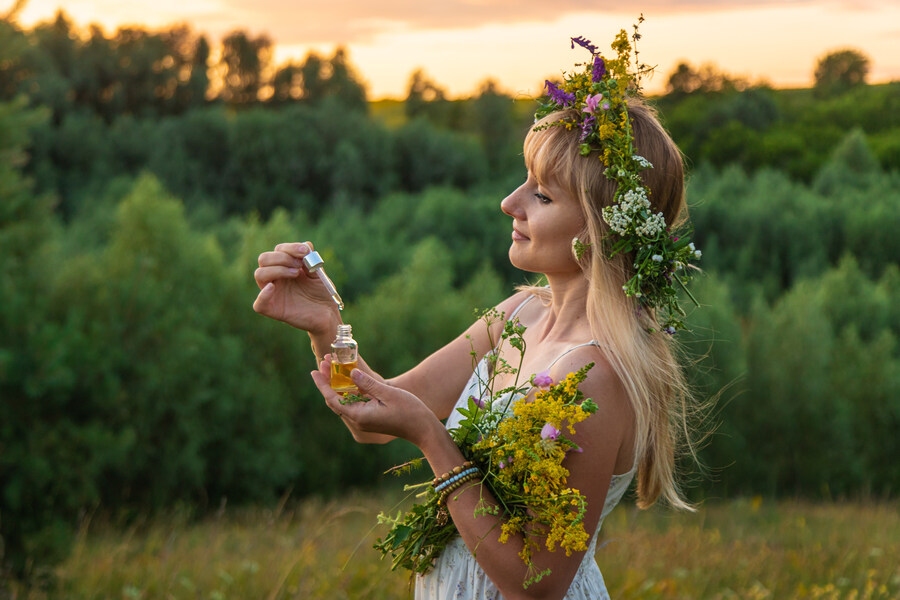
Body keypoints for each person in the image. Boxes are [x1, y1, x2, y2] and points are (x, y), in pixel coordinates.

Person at [253, 32, 700, 600]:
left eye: (541, 195)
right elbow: (369, 416)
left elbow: (537, 583)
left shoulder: (598, 375)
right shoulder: (518, 315)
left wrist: (432, 438)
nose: (509, 203)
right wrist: (327, 327)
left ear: (599, 225)